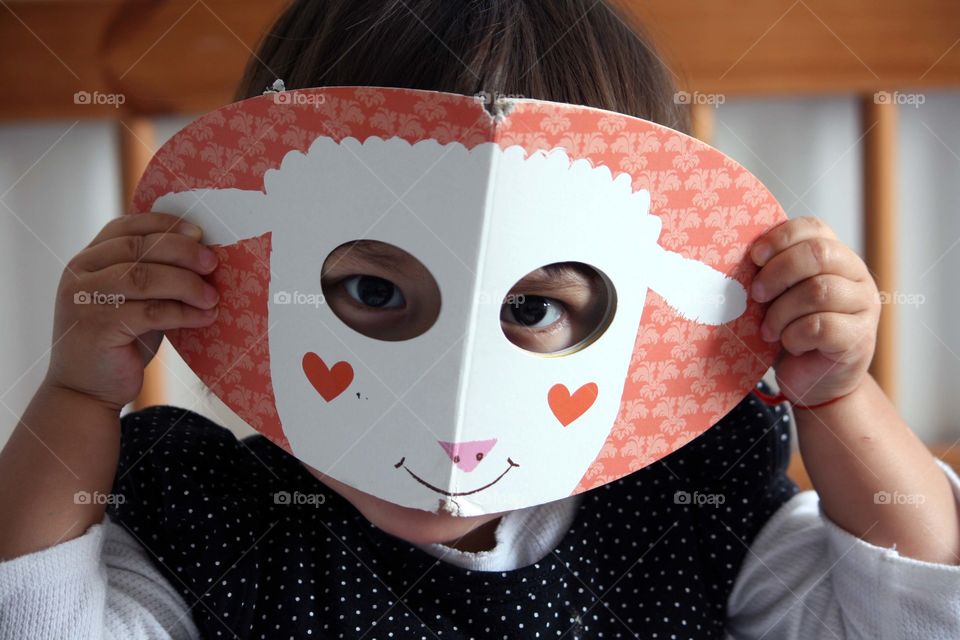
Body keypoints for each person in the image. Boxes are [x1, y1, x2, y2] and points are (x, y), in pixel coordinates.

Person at [1, 1, 959, 638]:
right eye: (375, 292)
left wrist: (838, 400)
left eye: (534, 307)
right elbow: (39, 621)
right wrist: (76, 395)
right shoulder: (216, 523)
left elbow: (910, 615)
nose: (448, 394)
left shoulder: (685, 508)